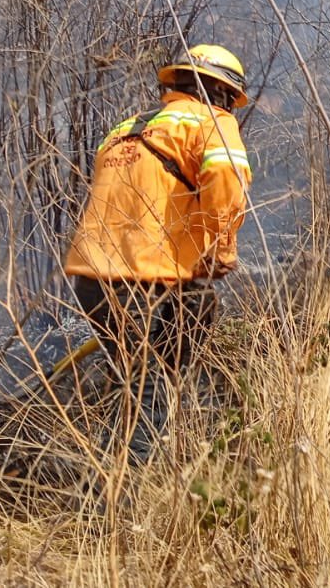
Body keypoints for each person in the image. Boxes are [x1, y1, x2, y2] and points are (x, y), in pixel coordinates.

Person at [64, 43, 253, 463]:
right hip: (142, 277)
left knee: (133, 380)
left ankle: (119, 480)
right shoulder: (212, 121)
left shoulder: (125, 129)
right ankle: (122, 507)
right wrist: (219, 250)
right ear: (222, 93)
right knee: (147, 387)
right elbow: (225, 183)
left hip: (93, 278)